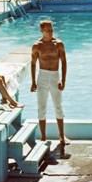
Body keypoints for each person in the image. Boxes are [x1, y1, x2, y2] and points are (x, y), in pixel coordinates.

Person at [30, 19, 68, 152]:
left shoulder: (59, 44)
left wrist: (63, 80)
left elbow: (64, 62)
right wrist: (33, 81)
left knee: (58, 106)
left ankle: (62, 136)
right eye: (48, 30)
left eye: (52, 29)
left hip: (55, 76)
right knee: (42, 107)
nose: (51, 32)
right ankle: (43, 136)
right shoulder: (37, 45)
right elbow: (33, 64)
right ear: (42, 31)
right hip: (42, 76)